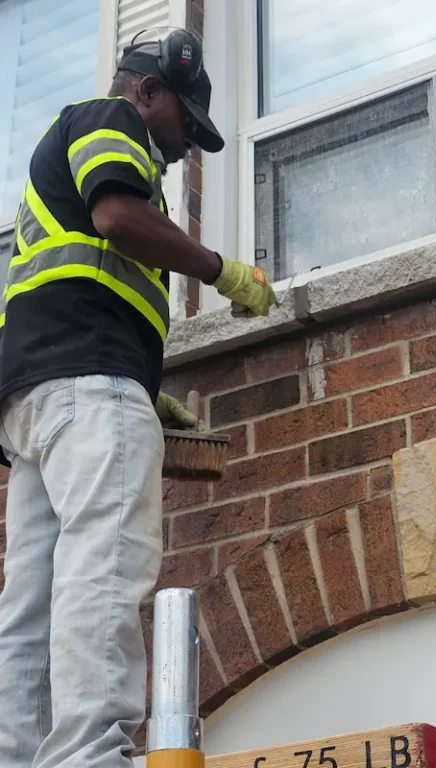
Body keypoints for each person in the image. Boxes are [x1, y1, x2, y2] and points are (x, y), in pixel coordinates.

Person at [0, 27, 275, 768]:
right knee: (103, 567)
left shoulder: (58, 155)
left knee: (34, 602)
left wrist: (143, 390)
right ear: (148, 90)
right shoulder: (107, 120)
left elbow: (78, 276)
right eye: (184, 122)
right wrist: (223, 271)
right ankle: (88, 755)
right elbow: (118, 221)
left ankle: (21, 757)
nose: (186, 145)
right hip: (90, 390)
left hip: (36, 401)